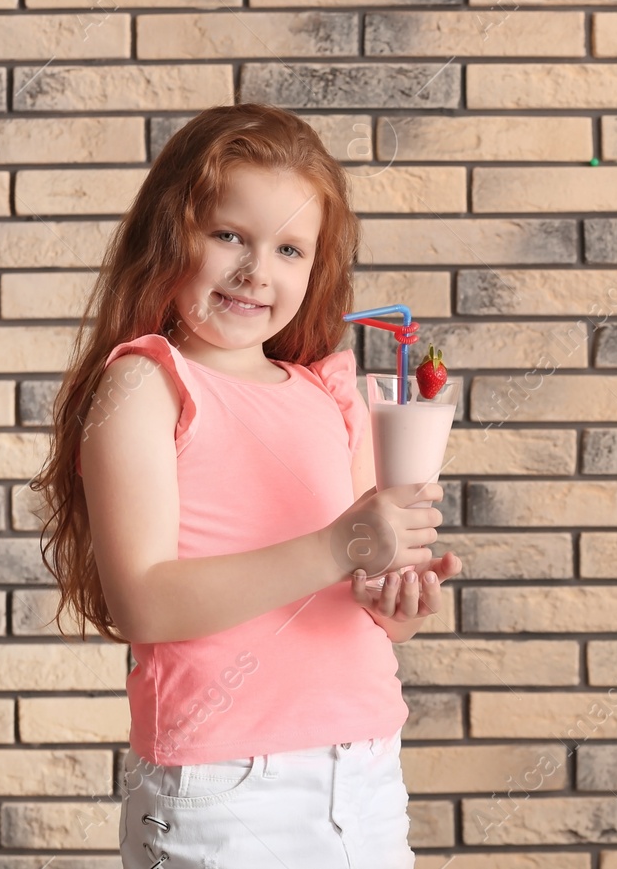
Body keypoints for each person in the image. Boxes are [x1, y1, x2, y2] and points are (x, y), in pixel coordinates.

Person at [29, 103, 462, 868]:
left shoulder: (330, 392)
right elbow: (145, 601)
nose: (257, 270)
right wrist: (338, 545)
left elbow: (360, 593)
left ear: (316, 267)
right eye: (229, 234)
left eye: (289, 248)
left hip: (362, 773)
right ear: (172, 233)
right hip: (223, 786)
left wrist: (397, 601)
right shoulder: (146, 384)